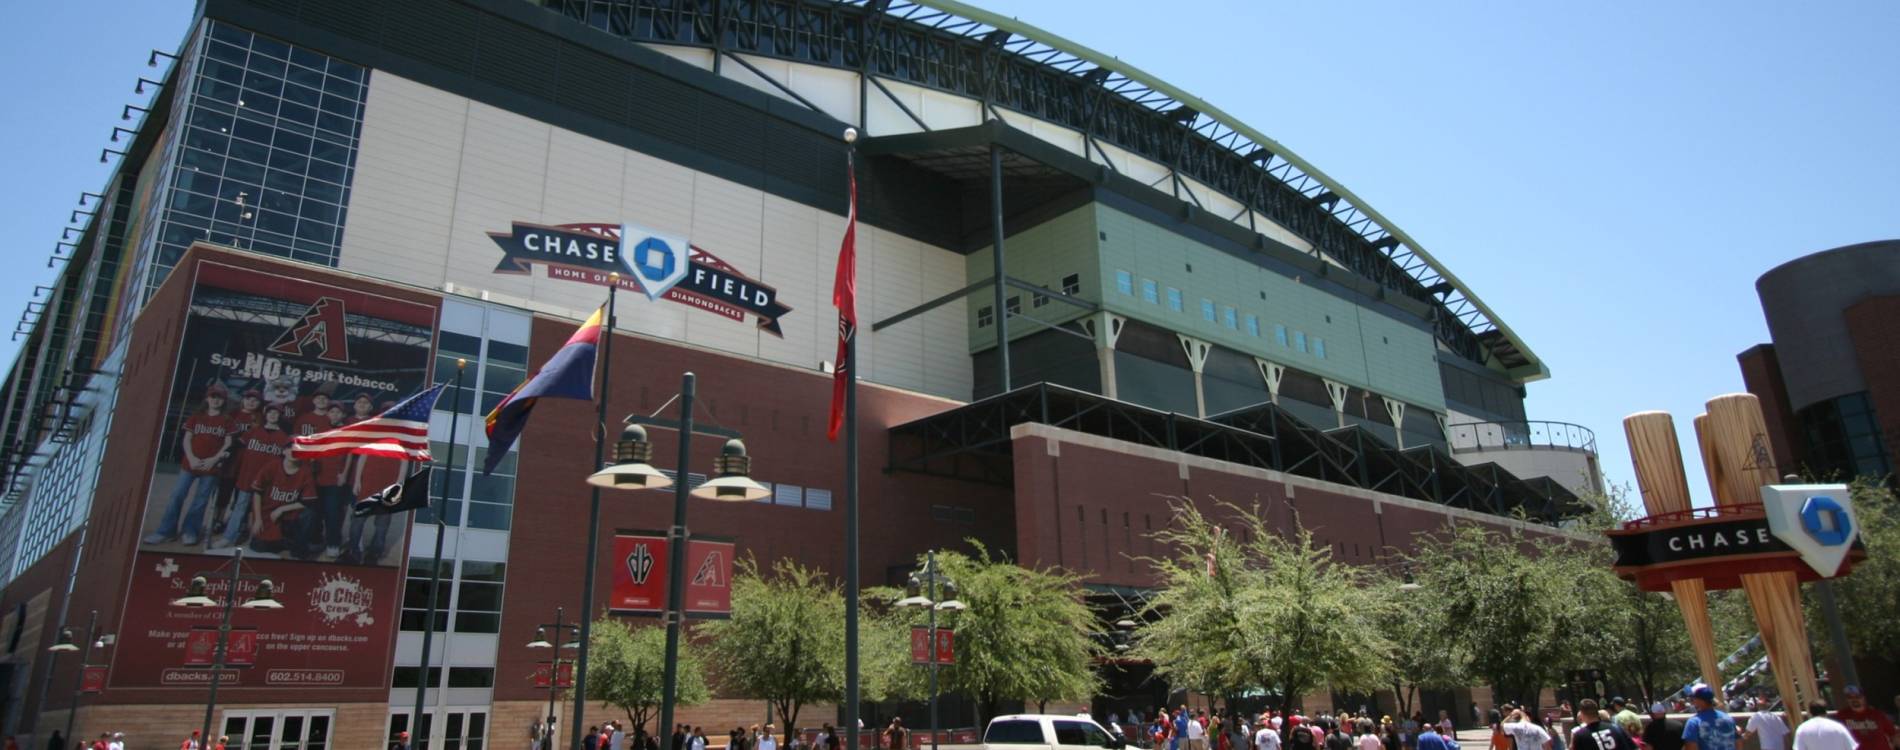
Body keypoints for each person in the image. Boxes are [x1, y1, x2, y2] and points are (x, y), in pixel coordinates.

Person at [146, 384, 238, 545]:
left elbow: (228, 443)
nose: (216, 400)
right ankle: (166, 531)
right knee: (177, 496)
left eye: (220, 398)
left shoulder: (227, 420)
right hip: (190, 464)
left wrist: (214, 459)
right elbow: (187, 439)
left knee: (200, 500)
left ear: (224, 401)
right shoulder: (197, 416)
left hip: (211, 466)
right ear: (207, 398)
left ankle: (190, 531)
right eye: (213, 397)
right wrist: (191, 457)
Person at [1837, 685, 1900, 750]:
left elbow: (1893, 734)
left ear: (1863, 698)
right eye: (1850, 697)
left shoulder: (1877, 714)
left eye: (1858, 697)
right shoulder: (1841, 716)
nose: (1854, 699)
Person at [1681, 685, 1738, 750]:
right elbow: (1738, 742)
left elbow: (1691, 747)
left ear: (1700, 700)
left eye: (1692, 698)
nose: (1692, 701)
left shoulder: (1693, 723)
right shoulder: (1728, 719)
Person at [1569, 700, 1636, 750]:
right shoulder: (1616, 728)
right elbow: (1633, 747)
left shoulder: (1580, 735)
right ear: (1597, 712)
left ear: (1582, 715)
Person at [1794, 701, 1858, 750]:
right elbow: (1851, 747)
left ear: (1810, 713)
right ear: (1826, 712)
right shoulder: (1838, 727)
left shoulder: (1802, 729)